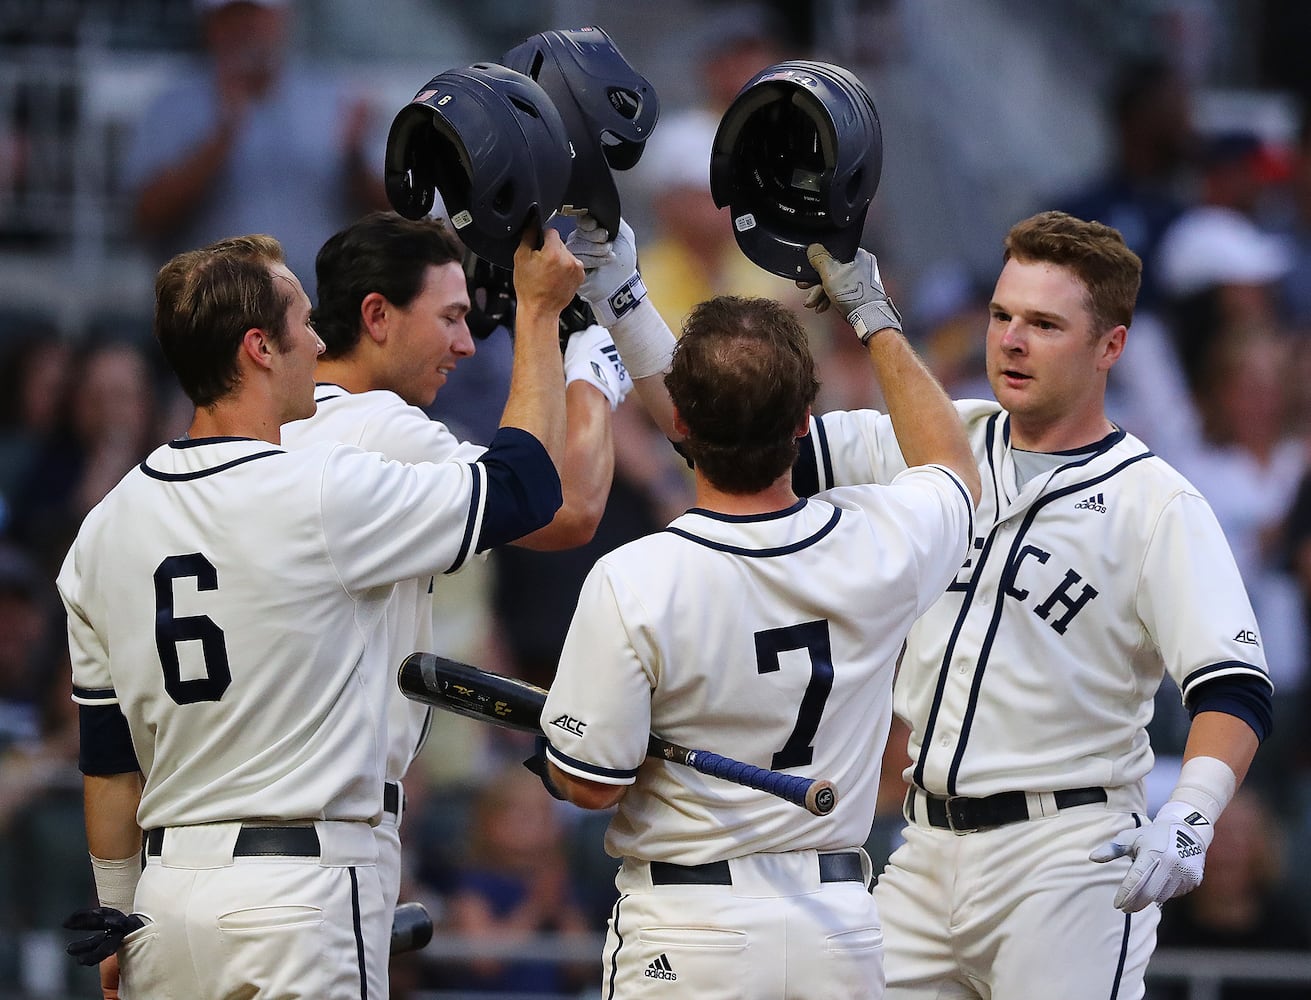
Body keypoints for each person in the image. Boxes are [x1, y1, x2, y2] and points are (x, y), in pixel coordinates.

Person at [571, 210, 1272, 999]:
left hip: (1065, 855)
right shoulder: (936, 437)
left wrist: (1191, 811)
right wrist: (622, 297)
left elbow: (1233, 685)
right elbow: (722, 426)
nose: (1009, 340)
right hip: (923, 843)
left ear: (1110, 346)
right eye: (1002, 316)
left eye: (1043, 324)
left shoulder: (1156, 503)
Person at [56, 228, 581, 999]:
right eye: (302, 321)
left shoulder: (102, 527)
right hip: (301, 894)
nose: (317, 338)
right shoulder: (327, 490)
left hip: (166, 905)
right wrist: (538, 313)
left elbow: (107, 764)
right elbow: (528, 490)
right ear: (259, 347)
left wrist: (117, 914)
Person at [537, 253, 981, 997]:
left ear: (678, 422)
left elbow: (587, 786)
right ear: (805, 423)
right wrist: (869, 313)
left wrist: (562, 746)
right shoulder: (880, 540)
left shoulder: (635, 575)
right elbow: (951, 466)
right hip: (836, 923)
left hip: (689, 926)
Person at [279, 210, 630, 969]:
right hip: (319, 848)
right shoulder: (378, 429)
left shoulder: (273, 430)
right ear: (376, 315)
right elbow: (563, 508)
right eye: (450, 319)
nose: (467, 346)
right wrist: (584, 364)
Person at [123, 0, 389, 285]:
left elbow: (390, 214)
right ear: (208, 24)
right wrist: (222, 136)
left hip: (320, 311)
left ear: (283, 17)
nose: (246, 29)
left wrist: (355, 161)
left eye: (256, 15)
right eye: (231, 17)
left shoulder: (338, 98)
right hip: (215, 311)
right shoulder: (171, 106)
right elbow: (144, 219)